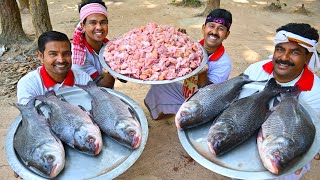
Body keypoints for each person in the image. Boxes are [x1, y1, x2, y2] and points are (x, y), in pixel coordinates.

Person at [243, 23, 320, 180]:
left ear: (308, 57)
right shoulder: (255, 71)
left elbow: (309, 134)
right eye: (280, 49)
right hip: (247, 146)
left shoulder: (315, 92)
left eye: (295, 52)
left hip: (284, 157)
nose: (284, 58)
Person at [144, 8, 233, 120]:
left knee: (191, 121)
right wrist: (179, 42)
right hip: (186, 94)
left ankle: (189, 121)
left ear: (227, 35)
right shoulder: (195, 46)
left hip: (201, 106)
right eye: (211, 26)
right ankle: (161, 115)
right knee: (159, 85)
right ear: (203, 28)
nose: (214, 32)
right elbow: (170, 58)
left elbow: (210, 97)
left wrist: (202, 74)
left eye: (221, 29)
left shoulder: (224, 63)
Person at [16, 31, 92, 105]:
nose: (61, 60)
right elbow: (30, 116)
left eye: (66, 54)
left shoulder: (83, 78)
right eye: (53, 54)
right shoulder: (29, 84)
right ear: (40, 56)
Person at [71, 0, 116, 88]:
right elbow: (99, 89)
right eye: (93, 23)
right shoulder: (79, 57)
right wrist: (111, 73)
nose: (99, 27)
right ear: (83, 26)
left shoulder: (108, 47)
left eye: (103, 22)